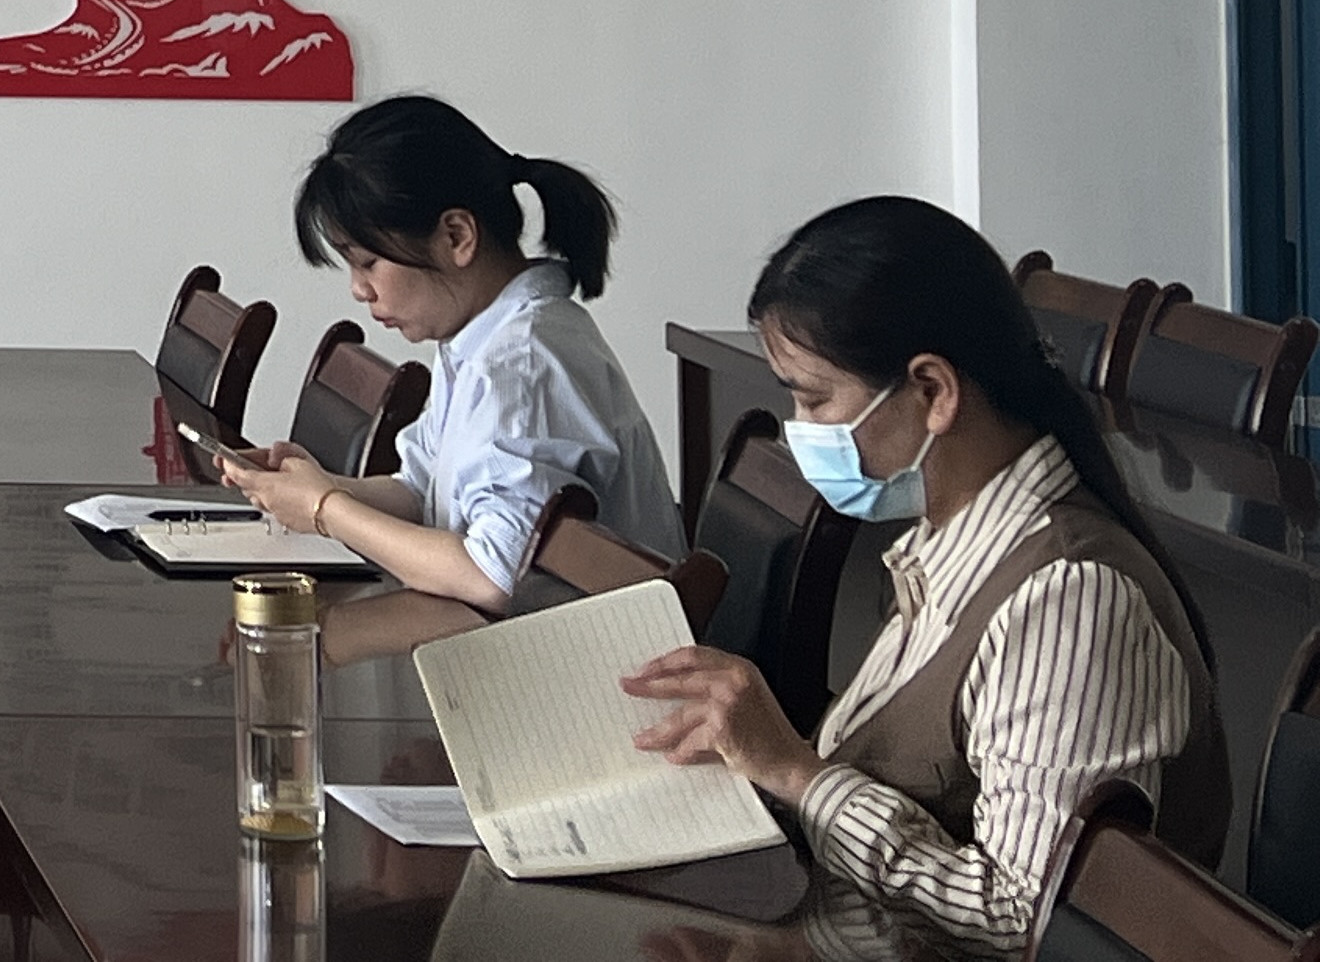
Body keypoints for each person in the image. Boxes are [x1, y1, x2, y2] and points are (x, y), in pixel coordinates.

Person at [623, 196, 1223, 953]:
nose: (801, 431)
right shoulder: (948, 541)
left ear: (933, 391)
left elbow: (1022, 924)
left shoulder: (1070, 600)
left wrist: (797, 773)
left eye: (815, 399)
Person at [219, 92, 676, 609]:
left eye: (368, 263)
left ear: (456, 236)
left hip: (597, 653)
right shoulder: (482, 338)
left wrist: (325, 509)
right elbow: (422, 491)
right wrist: (316, 488)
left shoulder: (520, 365)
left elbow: (490, 575)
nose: (359, 290)